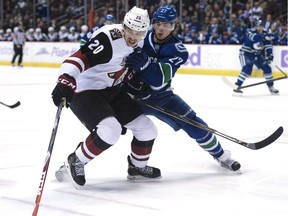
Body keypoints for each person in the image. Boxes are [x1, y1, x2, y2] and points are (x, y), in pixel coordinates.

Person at [52, 6, 161, 189]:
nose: (134, 36)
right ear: (124, 26)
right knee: (110, 131)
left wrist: (130, 77)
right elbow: (78, 58)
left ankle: (137, 167)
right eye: (131, 31)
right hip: (85, 90)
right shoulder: (109, 38)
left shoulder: (139, 42)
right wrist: (66, 79)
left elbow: (117, 64)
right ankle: (76, 160)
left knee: (147, 129)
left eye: (140, 32)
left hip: (111, 89)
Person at [122, 5, 241, 172]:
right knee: (107, 126)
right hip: (132, 96)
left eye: (167, 25)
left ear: (174, 26)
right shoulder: (140, 37)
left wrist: (145, 65)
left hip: (162, 97)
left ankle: (221, 156)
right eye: (158, 23)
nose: (161, 28)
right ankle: (79, 159)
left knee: (196, 125)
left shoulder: (178, 50)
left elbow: (158, 80)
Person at [233, 19, 279, 94]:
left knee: (267, 68)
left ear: (263, 27)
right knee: (247, 68)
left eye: (260, 26)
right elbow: (254, 37)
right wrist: (264, 36)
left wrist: (270, 54)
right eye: (257, 26)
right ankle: (237, 86)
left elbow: (268, 45)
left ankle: (271, 87)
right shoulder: (251, 31)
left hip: (256, 55)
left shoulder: (265, 33)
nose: (259, 28)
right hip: (246, 53)